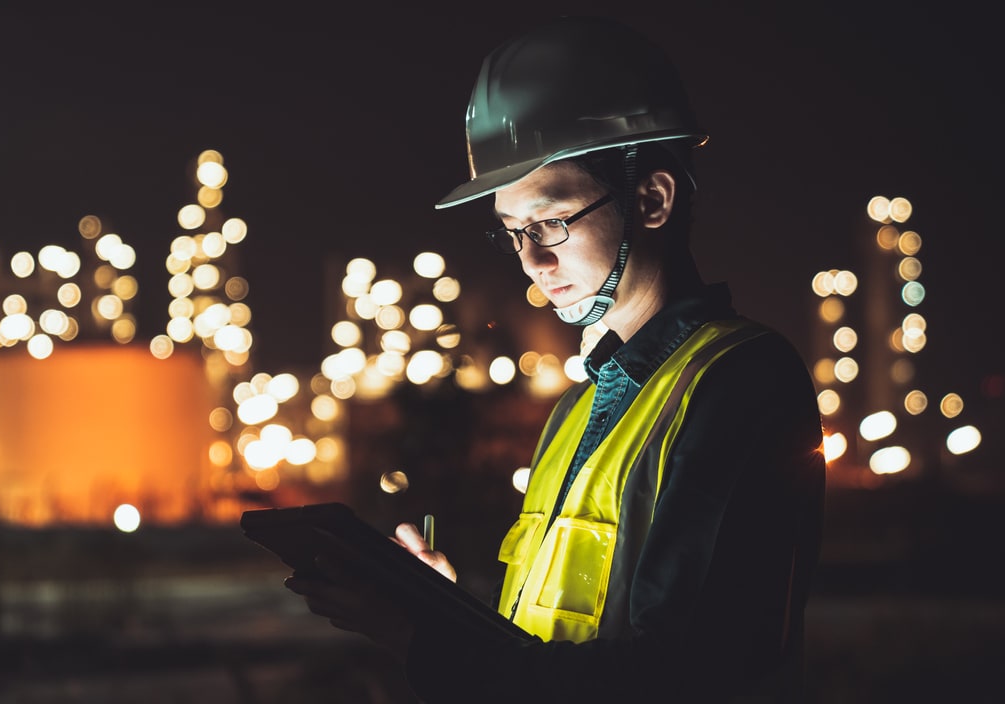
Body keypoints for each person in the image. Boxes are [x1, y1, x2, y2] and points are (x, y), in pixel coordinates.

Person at [285, 15, 826, 703]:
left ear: (651, 198)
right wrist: (439, 605)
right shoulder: (576, 408)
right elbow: (552, 639)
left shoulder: (739, 381)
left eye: (550, 222)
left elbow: (681, 676)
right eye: (512, 233)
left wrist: (420, 640)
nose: (532, 261)